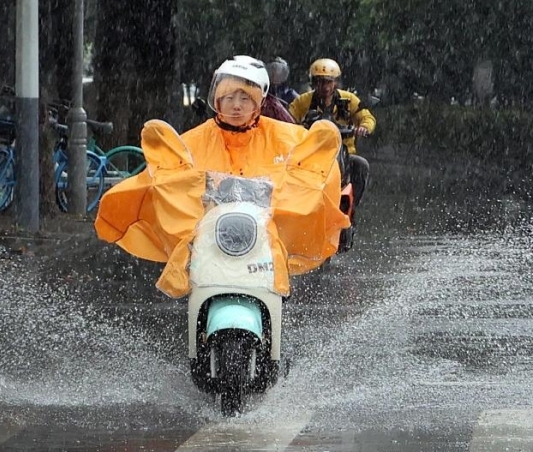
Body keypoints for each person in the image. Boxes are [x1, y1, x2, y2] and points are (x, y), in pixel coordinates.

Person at [94, 55, 349, 298]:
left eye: (245, 98)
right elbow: (167, 175)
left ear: (259, 103)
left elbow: (313, 167)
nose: (236, 105)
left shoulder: (287, 137)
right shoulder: (193, 141)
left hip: (261, 243)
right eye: (228, 96)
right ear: (217, 100)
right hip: (211, 241)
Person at [288, 58, 376, 210]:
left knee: (361, 165)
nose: (325, 86)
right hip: (311, 154)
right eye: (320, 82)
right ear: (314, 82)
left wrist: (364, 127)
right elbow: (287, 119)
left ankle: (352, 207)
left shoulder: (349, 100)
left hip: (344, 153)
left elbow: (366, 117)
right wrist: (296, 129)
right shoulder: (303, 101)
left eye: (329, 81)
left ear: (335, 82)